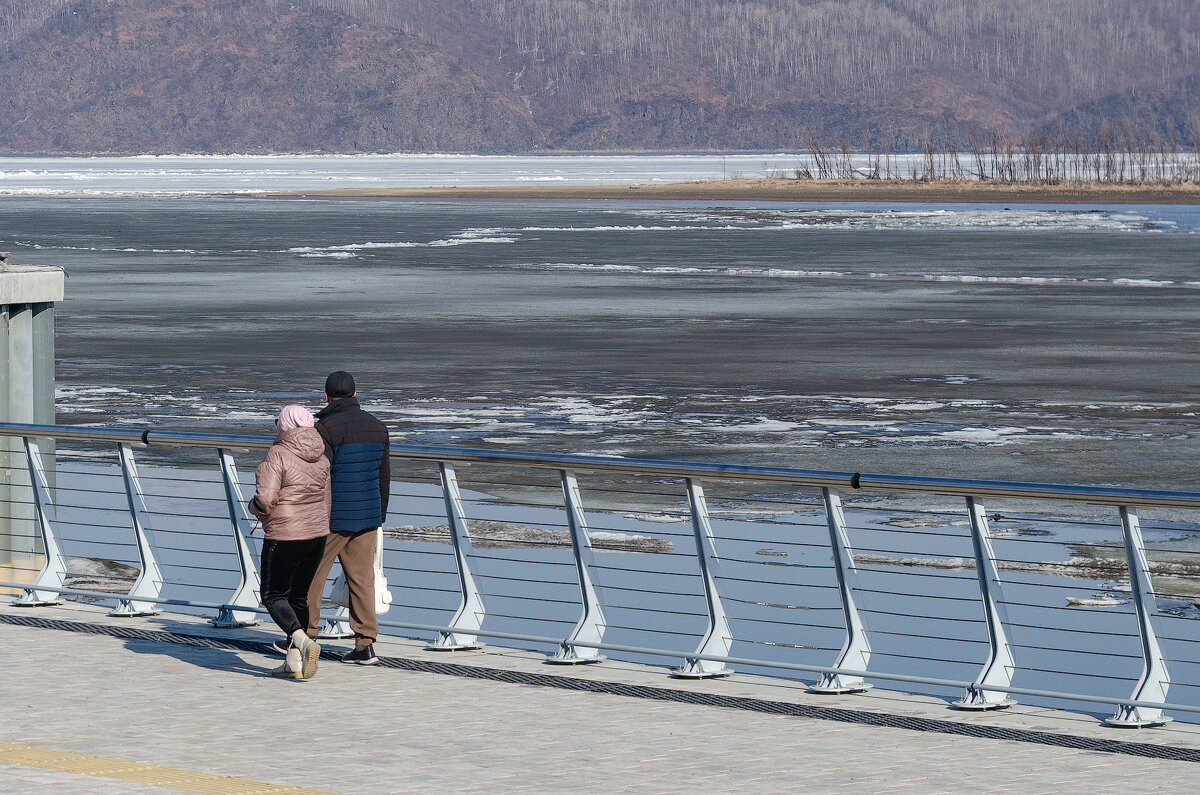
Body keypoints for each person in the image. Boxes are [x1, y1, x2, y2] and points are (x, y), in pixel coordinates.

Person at [305, 371, 391, 664]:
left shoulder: (325, 428)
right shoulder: (378, 427)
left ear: (326, 397)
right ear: (355, 394)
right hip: (367, 514)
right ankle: (365, 644)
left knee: (311, 576)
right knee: (362, 580)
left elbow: (320, 476)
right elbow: (384, 477)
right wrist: (379, 515)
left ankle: (305, 635)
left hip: (332, 517)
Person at [249, 404, 329, 680]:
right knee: (299, 597)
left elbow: (266, 499)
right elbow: (326, 500)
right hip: (317, 535)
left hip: (284, 535)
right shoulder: (321, 457)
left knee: (273, 596)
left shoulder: (278, 454)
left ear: (284, 425)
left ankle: (304, 642)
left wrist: (254, 507)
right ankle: (293, 662)